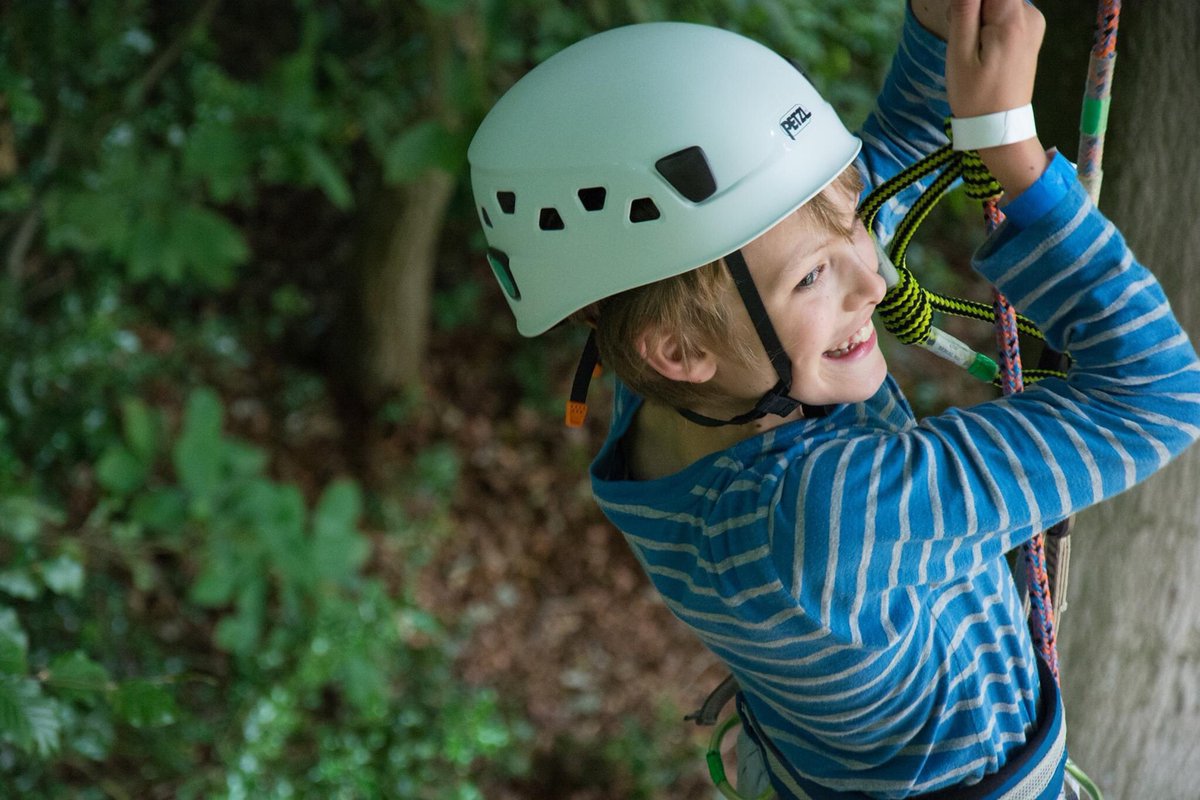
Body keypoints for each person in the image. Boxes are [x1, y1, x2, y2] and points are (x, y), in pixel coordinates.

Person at [467, 0, 1200, 796]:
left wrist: (936, 28)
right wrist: (1014, 157)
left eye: (850, 228)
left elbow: (838, 203)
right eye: (814, 276)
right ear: (680, 351)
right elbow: (1156, 397)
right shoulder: (825, 522)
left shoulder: (674, 394)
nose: (875, 278)